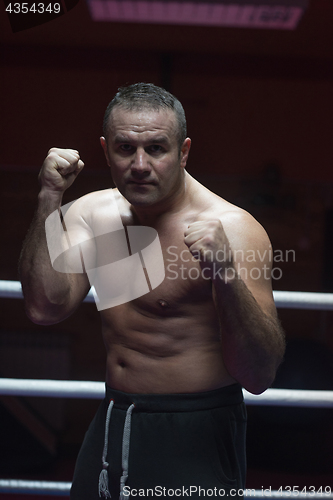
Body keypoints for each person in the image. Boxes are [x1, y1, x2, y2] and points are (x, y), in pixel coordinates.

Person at [19, 83, 285, 499]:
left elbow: (259, 375)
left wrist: (227, 275)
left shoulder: (233, 229)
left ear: (183, 151)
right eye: (125, 149)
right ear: (106, 150)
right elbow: (43, 308)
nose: (139, 165)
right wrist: (49, 198)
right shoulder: (93, 214)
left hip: (195, 427)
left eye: (157, 149)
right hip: (114, 417)